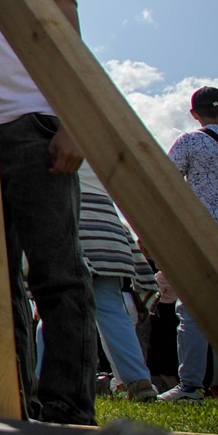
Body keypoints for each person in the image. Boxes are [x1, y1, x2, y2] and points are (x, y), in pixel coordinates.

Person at [0, 0, 95, 423]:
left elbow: (71, 47)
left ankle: (67, 404)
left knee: (56, 272)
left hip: (35, 126)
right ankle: (14, 400)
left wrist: (75, 122)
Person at [160, 85, 218, 401]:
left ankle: (190, 386)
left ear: (194, 113)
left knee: (192, 311)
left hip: (210, 239)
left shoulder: (189, 141)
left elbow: (167, 183)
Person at [79, 163, 158, 401]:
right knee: (112, 309)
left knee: (58, 306)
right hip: (108, 226)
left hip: (72, 217)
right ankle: (138, 379)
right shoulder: (97, 150)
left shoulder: (50, 141)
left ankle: (48, 380)